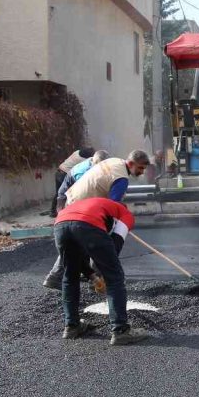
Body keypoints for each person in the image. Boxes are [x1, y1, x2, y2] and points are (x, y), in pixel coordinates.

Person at [43, 150, 150, 289]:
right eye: (140, 168)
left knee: (78, 242)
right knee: (99, 238)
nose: (142, 172)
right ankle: (98, 277)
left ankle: (62, 277)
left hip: (74, 200)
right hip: (84, 208)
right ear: (130, 163)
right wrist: (122, 225)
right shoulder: (121, 178)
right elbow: (113, 207)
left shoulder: (114, 161)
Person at [53, 197, 148, 346]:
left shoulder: (96, 205)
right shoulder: (125, 214)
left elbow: (80, 260)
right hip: (87, 224)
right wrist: (104, 274)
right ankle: (120, 331)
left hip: (60, 225)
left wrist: (93, 276)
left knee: (70, 275)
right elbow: (114, 246)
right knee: (115, 276)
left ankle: (71, 326)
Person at [50, 147, 95, 216]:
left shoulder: (76, 152)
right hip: (64, 175)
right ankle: (66, 211)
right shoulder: (84, 160)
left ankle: (53, 211)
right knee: (69, 193)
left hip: (58, 172)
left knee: (59, 193)